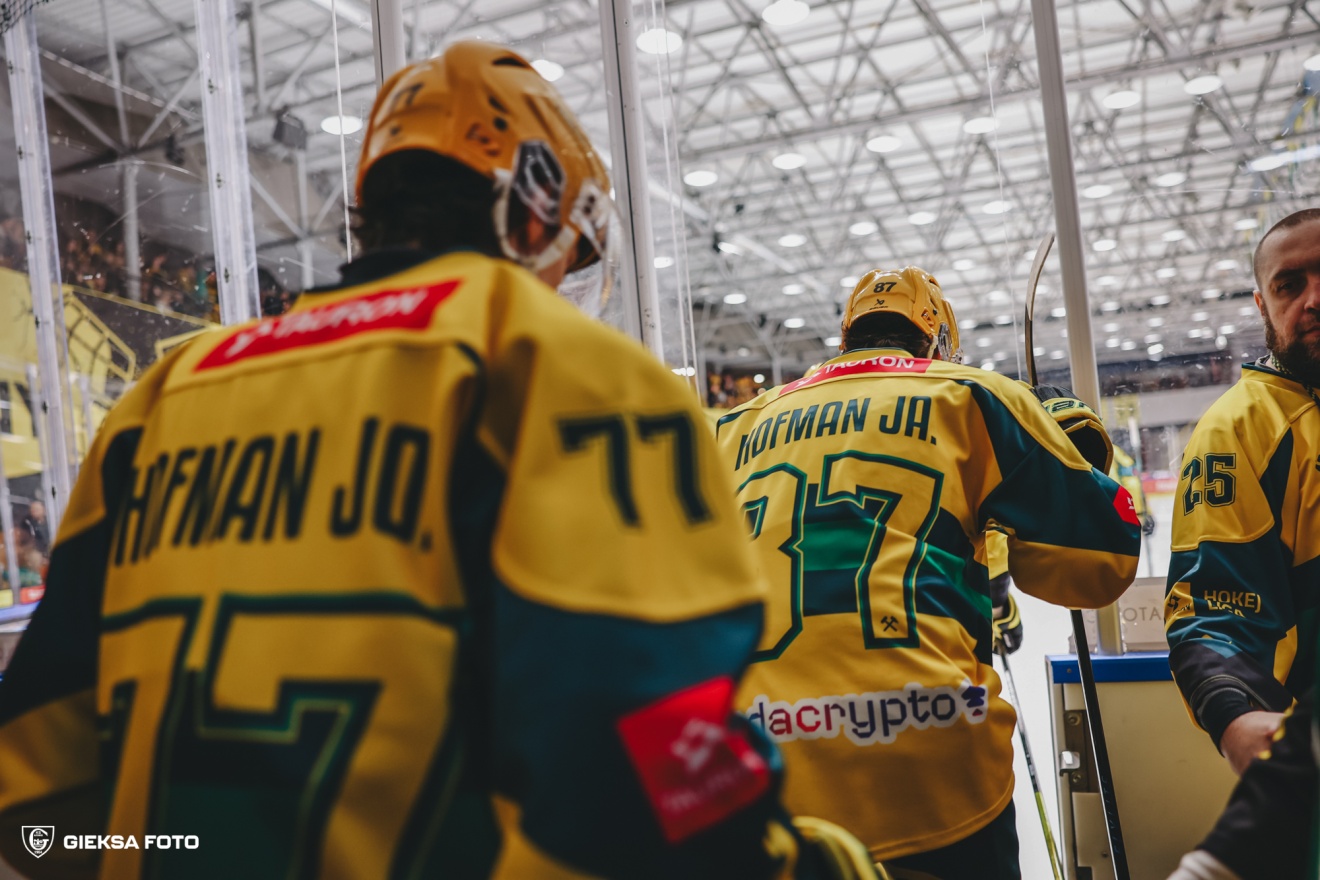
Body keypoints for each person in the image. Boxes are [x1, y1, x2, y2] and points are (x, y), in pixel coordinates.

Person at [0, 42, 874, 880]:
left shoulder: (162, 400)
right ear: (535, 214)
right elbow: (651, 791)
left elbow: (32, 790)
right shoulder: (555, 368)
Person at [714, 266, 1142, 879]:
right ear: (938, 343)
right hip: (930, 762)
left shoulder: (732, 426)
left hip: (764, 766)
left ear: (847, 338)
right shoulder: (974, 395)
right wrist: (1080, 457)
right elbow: (1096, 567)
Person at [1164, 208, 1320, 776]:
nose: (1314, 299)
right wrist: (1235, 712)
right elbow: (1214, 606)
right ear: (1262, 305)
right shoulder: (1237, 431)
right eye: (1289, 285)